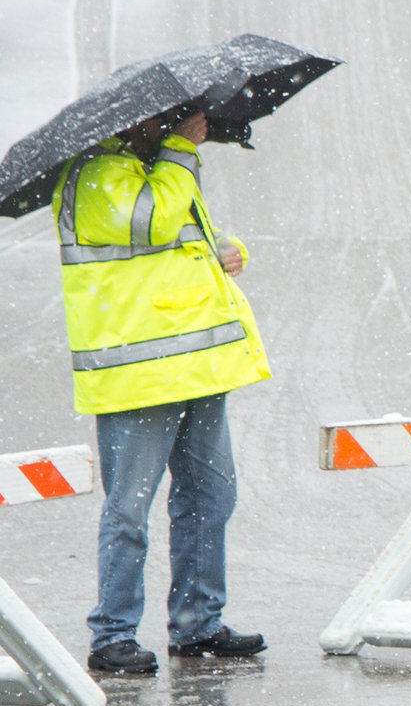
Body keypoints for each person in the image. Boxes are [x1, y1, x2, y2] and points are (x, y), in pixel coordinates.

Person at [52, 105, 272, 676]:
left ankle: (198, 626)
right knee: (130, 509)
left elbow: (174, 242)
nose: (182, 127)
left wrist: (224, 247)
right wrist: (181, 149)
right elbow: (150, 222)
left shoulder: (148, 170)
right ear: (134, 122)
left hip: (196, 368)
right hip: (139, 376)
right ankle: (112, 635)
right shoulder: (97, 173)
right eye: (168, 120)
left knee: (210, 498)